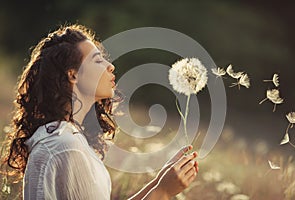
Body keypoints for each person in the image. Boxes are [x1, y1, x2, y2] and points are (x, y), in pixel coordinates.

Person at [3, 24, 199, 200]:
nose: (110, 66)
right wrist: (163, 193)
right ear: (73, 75)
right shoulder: (66, 147)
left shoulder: (67, 138)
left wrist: (158, 183)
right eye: (97, 61)